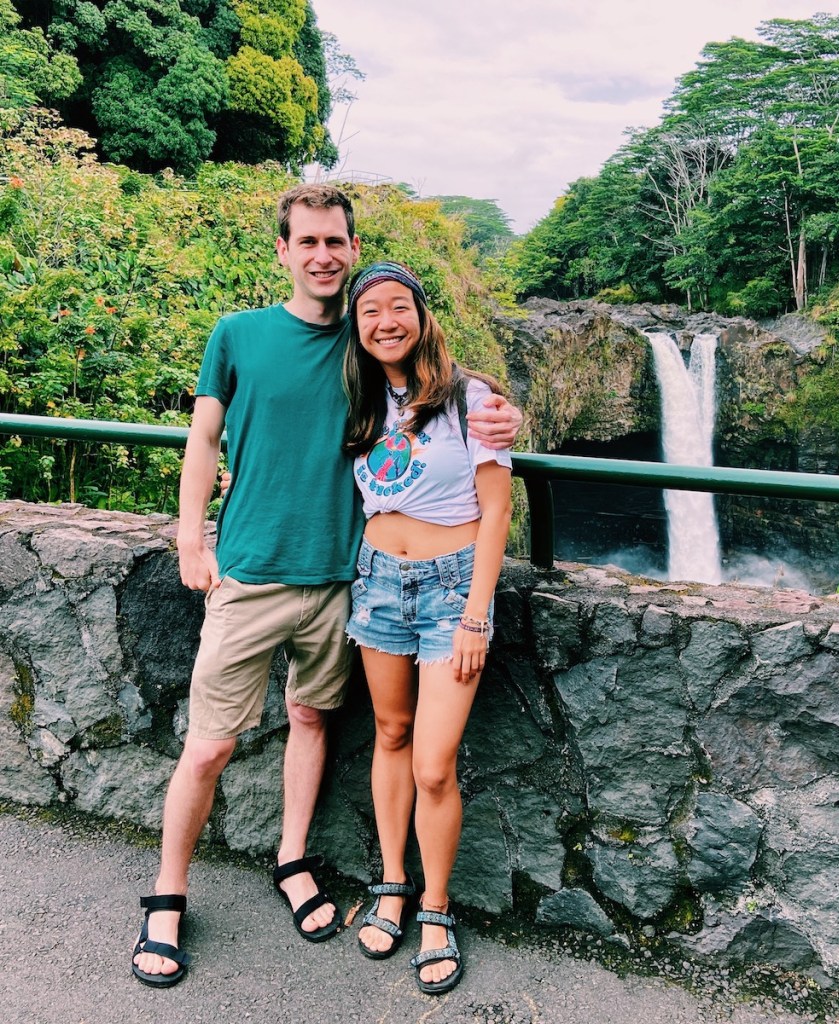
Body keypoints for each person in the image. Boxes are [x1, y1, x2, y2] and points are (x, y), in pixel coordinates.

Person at [131, 186, 522, 988]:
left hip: (347, 580)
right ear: (282, 251)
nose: (322, 255)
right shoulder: (239, 335)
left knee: (313, 718)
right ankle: (166, 896)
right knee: (209, 743)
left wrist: (503, 415)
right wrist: (189, 533)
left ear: (350, 248)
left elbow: (439, 378)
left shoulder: (365, 341)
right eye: (306, 241)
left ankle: (297, 862)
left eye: (335, 241)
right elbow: (204, 436)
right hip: (257, 571)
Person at [342, 262, 513, 996]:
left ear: (422, 313)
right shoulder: (354, 396)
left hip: (451, 593)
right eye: (370, 310)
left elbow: (497, 509)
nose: (386, 320)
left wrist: (477, 611)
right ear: (356, 325)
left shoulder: (471, 399)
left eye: (399, 307)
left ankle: (436, 910)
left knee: (434, 763)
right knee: (389, 733)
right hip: (378, 581)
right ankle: (391, 882)